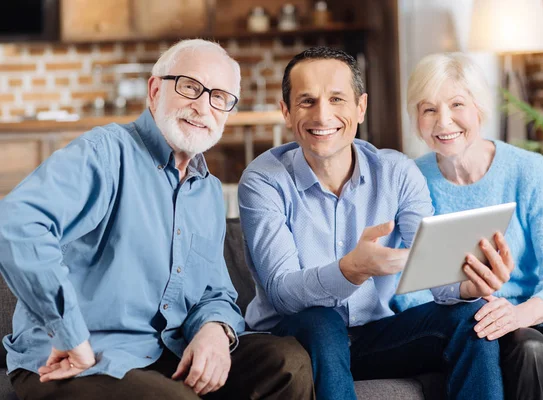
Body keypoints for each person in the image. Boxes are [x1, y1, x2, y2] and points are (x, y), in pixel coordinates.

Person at [0, 39, 314, 400]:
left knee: (287, 362)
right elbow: (17, 224)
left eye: (219, 97)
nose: (202, 106)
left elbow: (214, 292)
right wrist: (70, 334)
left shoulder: (207, 191)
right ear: (155, 90)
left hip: (166, 356)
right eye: (190, 87)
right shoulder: (105, 153)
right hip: (75, 361)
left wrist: (215, 328)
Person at [237, 46, 511, 400]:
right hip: (296, 339)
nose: (323, 115)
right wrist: (350, 270)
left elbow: (436, 275)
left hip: (375, 335)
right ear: (287, 113)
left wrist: (467, 287)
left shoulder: (397, 172)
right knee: (321, 320)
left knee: (474, 317)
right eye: (307, 101)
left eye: (337, 99)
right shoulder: (263, 180)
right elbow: (283, 293)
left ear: (360, 108)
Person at [404, 52, 543, 400]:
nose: (443, 122)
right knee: (527, 348)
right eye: (428, 109)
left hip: (537, 307)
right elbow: (407, 290)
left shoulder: (532, 171)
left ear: (480, 108)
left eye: (457, 104)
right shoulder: (409, 180)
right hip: (464, 320)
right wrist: (474, 307)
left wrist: (518, 314)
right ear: (416, 117)